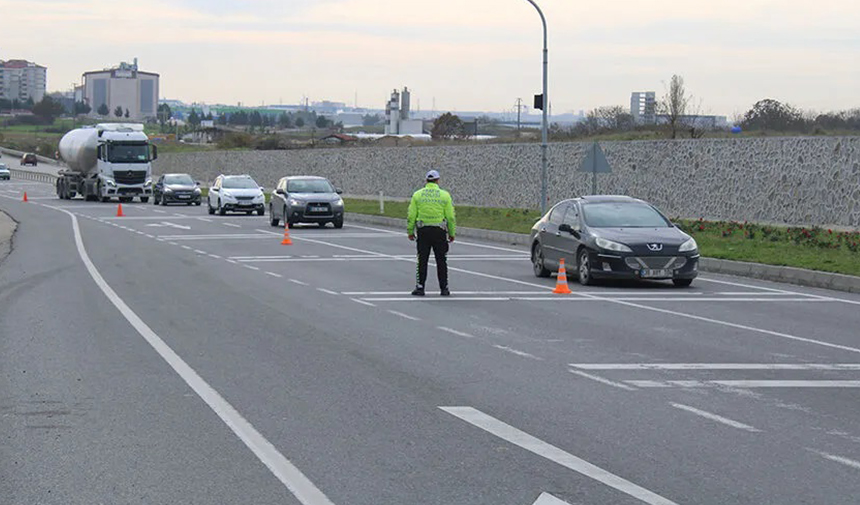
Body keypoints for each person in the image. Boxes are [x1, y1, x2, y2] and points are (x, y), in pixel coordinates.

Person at [407, 170, 456, 296]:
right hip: (439, 231)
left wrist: (410, 231)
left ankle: (420, 286)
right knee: (441, 260)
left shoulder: (417, 195)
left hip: (423, 231)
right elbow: (450, 217)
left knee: (422, 260)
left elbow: (411, 215)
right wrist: (451, 233)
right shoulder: (444, 195)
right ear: (438, 180)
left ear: (426, 181)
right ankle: (444, 288)